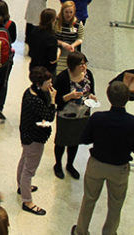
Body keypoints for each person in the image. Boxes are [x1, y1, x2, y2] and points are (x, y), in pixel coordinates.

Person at [72, 81, 134, 235]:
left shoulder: (98, 118)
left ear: (108, 97)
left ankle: (81, 231)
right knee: (116, 204)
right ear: (127, 98)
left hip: (96, 165)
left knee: (89, 200)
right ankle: (109, 232)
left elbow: (84, 139)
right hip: (119, 169)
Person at [17, 66, 57, 216]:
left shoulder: (30, 92)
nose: (51, 85)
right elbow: (49, 116)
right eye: (48, 83)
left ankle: (21, 186)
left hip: (26, 134)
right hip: (34, 137)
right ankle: (27, 201)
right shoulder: (36, 100)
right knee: (29, 170)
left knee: (24, 159)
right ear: (40, 84)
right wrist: (53, 100)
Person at [53, 51, 95, 181]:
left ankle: (70, 164)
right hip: (66, 115)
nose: (84, 67)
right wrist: (70, 96)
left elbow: (91, 91)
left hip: (82, 114)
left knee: (75, 141)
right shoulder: (63, 78)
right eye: (81, 64)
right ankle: (58, 164)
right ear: (73, 65)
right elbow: (56, 99)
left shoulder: (88, 75)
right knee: (61, 141)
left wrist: (92, 96)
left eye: (85, 63)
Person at [55, 1, 85, 73]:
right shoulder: (56, 21)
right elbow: (51, 38)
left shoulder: (78, 23)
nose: (68, 15)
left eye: (71, 12)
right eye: (66, 12)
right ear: (62, 11)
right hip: (58, 51)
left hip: (71, 52)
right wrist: (62, 44)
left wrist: (73, 45)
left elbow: (80, 38)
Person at [27, 8, 58, 75]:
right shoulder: (52, 38)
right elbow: (52, 60)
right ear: (53, 21)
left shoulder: (34, 31)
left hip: (34, 67)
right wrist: (59, 52)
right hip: (46, 71)